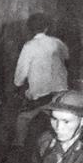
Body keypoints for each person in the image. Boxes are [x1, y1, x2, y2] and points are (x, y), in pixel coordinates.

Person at [13, 12, 69, 147]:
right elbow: (67, 58)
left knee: (23, 118)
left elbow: (20, 74)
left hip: (40, 95)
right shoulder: (57, 42)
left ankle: (19, 145)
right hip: (60, 92)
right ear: (47, 27)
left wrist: (18, 85)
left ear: (30, 29)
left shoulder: (29, 46)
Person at [0, 0, 44, 84]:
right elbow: (1, 12)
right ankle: (11, 94)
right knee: (11, 62)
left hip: (28, 29)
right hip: (11, 31)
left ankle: (27, 94)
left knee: (29, 61)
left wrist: (39, 32)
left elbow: (39, 11)